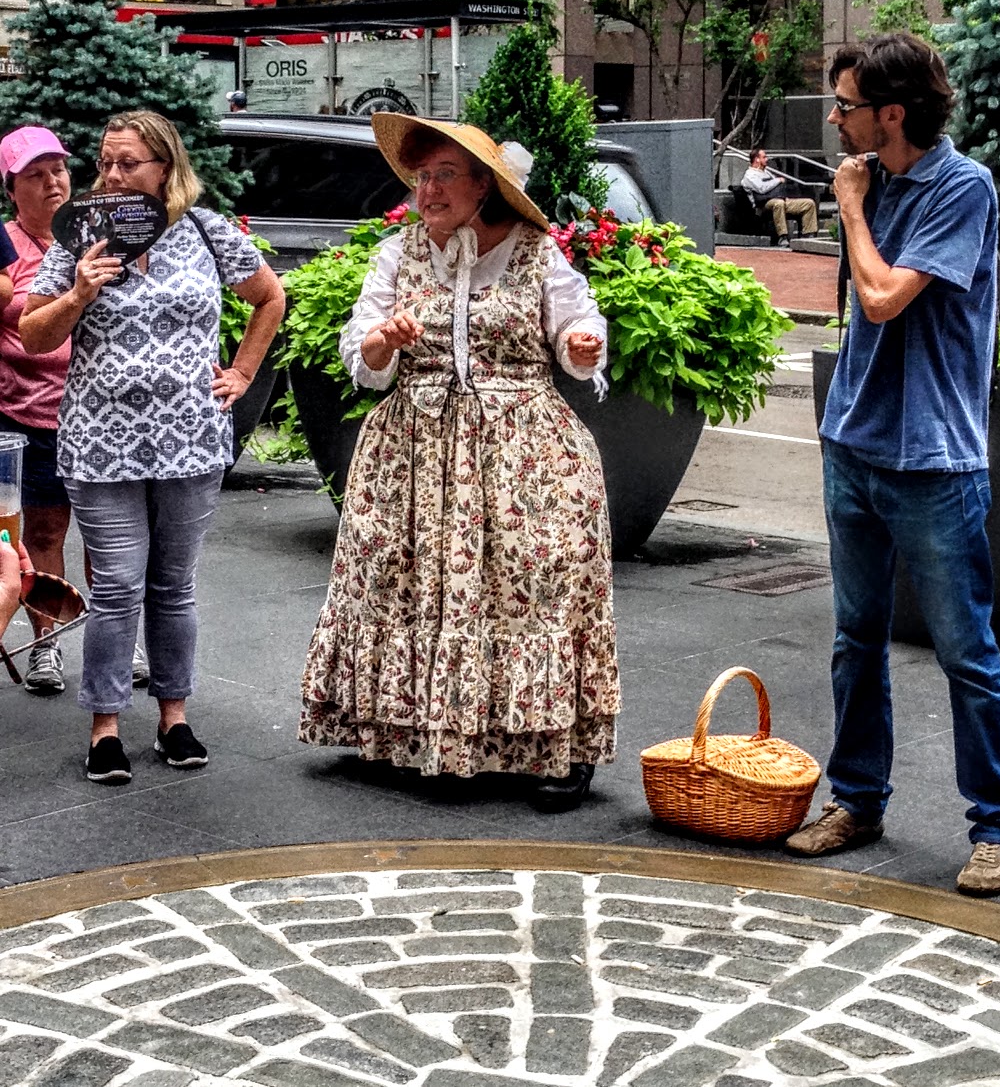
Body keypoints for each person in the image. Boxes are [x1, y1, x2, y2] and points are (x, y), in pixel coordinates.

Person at [299, 115, 620, 812]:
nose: (429, 188)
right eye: (422, 176)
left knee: (535, 585)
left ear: (485, 186)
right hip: (412, 449)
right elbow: (362, 358)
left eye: (445, 175)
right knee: (405, 584)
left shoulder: (536, 251)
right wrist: (383, 339)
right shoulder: (397, 253)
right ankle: (414, 735)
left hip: (524, 451)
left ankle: (553, 750)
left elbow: (576, 324)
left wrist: (584, 342)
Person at [784, 33, 1000, 896]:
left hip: (936, 459)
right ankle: (859, 801)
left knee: (966, 652)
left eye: (844, 107)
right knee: (854, 642)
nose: (834, 121)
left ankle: (996, 827)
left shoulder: (963, 188)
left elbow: (881, 299)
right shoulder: (869, 179)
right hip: (856, 445)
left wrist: (849, 208)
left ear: (893, 113)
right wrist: (858, 196)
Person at [20, 110, 286, 785]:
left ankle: (174, 717)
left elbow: (268, 297)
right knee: (116, 589)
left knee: (173, 588)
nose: (111, 174)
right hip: (101, 443)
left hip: (189, 442)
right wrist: (79, 292)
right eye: (105, 162)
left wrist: (244, 372)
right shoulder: (80, 237)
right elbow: (34, 335)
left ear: (165, 169)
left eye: (127, 163)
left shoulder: (203, 229)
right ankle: (105, 728)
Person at [0, 126, 78, 694]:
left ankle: (118, 639)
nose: (53, 183)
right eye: (36, 174)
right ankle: (46, 646)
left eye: (58, 170)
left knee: (112, 534)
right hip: (27, 411)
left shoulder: (94, 236)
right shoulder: (6, 249)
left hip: (99, 412)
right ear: (12, 189)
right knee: (44, 531)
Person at [741, 148, 818, 247]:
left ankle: (808, 235)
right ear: (757, 159)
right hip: (763, 205)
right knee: (778, 203)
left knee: (809, 203)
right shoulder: (749, 175)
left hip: (779, 199)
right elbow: (761, 188)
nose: (767, 159)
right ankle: (783, 237)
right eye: (764, 157)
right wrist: (777, 180)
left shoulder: (766, 172)